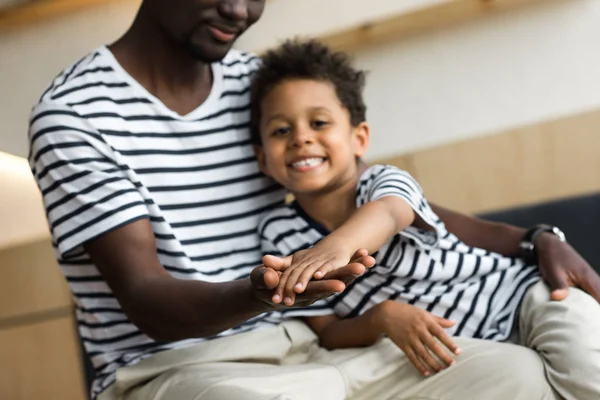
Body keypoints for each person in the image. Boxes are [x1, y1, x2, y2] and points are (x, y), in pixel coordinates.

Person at [26, 1, 598, 399]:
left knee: (517, 377)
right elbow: (149, 302)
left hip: (316, 347)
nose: (240, 11)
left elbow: (383, 199)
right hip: (181, 371)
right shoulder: (76, 118)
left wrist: (535, 237)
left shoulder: (259, 85)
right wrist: (263, 292)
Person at [254, 39, 600, 400]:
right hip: (468, 351)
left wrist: (335, 248)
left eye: (319, 122)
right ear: (262, 159)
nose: (301, 138)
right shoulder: (278, 232)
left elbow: (389, 213)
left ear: (360, 138)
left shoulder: (386, 182)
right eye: (281, 130)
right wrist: (381, 317)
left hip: (524, 299)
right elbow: (326, 330)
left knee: (588, 375)